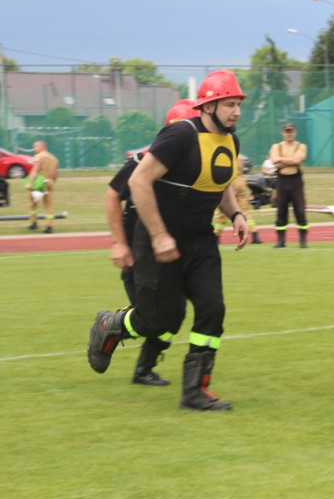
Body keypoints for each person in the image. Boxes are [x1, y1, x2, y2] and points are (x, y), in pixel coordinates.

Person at [86, 69, 251, 411]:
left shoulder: (231, 141)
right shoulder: (179, 135)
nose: (236, 111)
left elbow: (219, 185)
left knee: (212, 309)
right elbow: (138, 182)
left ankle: (194, 391)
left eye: (238, 104)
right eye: (229, 104)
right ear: (207, 107)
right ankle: (110, 324)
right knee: (158, 321)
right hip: (158, 241)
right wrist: (159, 236)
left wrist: (237, 216)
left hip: (201, 239)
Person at [102, 99, 198, 387]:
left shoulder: (196, 161)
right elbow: (111, 195)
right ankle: (109, 327)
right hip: (140, 252)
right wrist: (119, 243)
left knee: (176, 313)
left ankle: (144, 368)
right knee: (156, 316)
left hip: (173, 249)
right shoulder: (143, 159)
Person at [269, 122, 309, 248]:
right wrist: (291, 160)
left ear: (295, 132)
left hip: (296, 181)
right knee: (281, 210)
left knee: (300, 210)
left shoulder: (301, 146)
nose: (289, 134)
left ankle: (302, 240)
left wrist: (282, 160)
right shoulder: (276, 146)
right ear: (283, 133)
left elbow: (299, 160)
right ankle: (281, 240)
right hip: (282, 180)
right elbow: (275, 162)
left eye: (291, 131)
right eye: (287, 131)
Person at [213, 155, 263, 244]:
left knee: (222, 212)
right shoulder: (239, 155)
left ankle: (216, 236)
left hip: (231, 181)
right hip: (241, 181)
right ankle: (255, 235)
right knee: (244, 211)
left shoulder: (226, 153)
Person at [25, 140, 59, 233]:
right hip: (49, 182)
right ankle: (49, 226)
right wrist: (52, 182)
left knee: (33, 203)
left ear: (42, 147)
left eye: (35, 147)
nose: (34, 149)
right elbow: (56, 174)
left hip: (39, 183)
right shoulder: (53, 158)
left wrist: (30, 183)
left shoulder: (38, 156)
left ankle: (34, 223)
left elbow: (35, 170)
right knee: (48, 204)